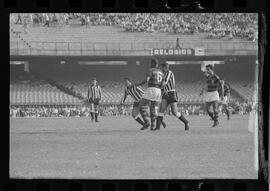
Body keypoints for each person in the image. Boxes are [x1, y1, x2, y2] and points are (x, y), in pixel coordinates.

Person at [155, 62, 189, 131]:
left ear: (165, 67)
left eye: (162, 68)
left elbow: (165, 83)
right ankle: (157, 127)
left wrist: (158, 87)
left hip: (171, 93)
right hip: (165, 94)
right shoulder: (163, 74)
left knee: (174, 112)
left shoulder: (169, 72)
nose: (161, 69)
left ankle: (186, 122)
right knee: (161, 110)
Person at [135, 58, 164, 130]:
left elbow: (147, 79)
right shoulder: (161, 72)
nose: (150, 64)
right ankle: (153, 127)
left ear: (153, 63)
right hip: (158, 90)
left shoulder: (151, 70)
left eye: (150, 63)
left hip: (152, 89)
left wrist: (139, 84)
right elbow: (163, 84)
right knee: (152, 109)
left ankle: (146, 122)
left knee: (141, 106)